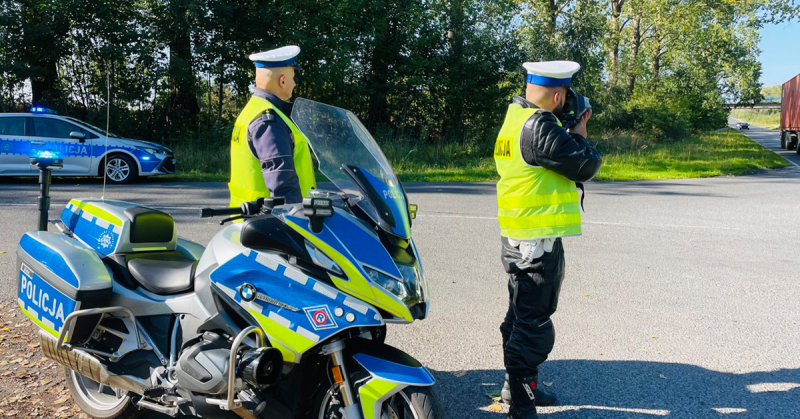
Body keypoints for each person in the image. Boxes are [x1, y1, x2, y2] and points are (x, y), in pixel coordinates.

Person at [494, 61, 602, 419]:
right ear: (557, 95)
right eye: (565, 98)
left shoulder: (515, 118)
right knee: (533, 326)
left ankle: (517, 389)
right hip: (537, 244)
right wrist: (581, 131)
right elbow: (586, 164)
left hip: (519, 237)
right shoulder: (540, 125)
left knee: (519, 318)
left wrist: (566, 127)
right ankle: (522, 406)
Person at [229, 45, 316, 208]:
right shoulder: (269, 122)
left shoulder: (253, 110)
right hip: (270, 225)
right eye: (293, 78)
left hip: (252, 221)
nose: (295, 84)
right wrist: (298, 222)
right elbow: (283, 185)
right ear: (282, 80)